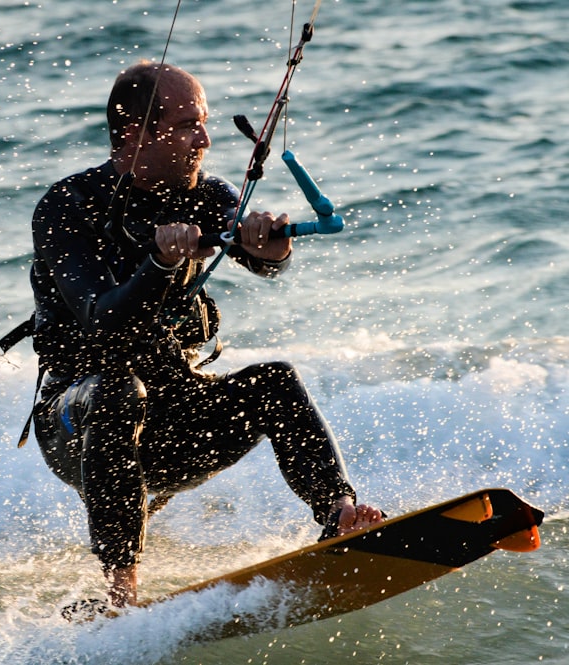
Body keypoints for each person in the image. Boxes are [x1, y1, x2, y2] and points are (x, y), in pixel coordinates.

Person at [27, 60, 383, 608]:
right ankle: (120, 595)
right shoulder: (68, 206)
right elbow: (103, 318)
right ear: (137, 133)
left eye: (206, 121)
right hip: (79, 423)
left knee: (275, 382)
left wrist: (271, 245)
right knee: (119, 390)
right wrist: (161, 261)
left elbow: (261, 256)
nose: (206, 138)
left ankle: (340, 516)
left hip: (174, 417)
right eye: (190, 124)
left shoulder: (206, 194)